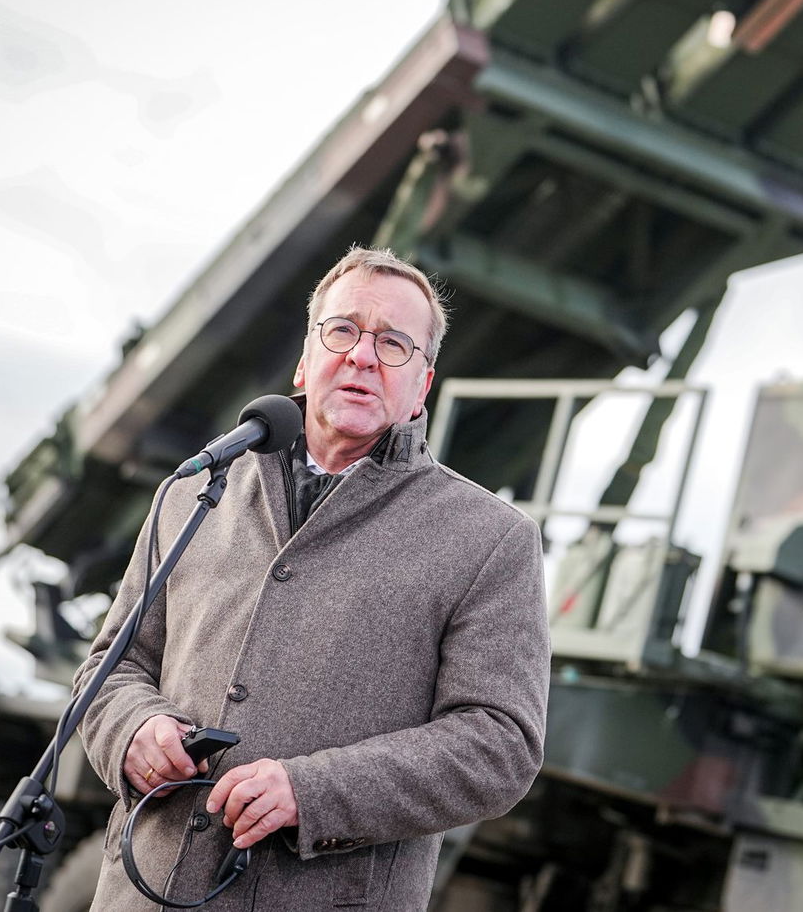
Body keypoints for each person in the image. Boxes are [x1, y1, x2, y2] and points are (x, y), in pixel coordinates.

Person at [76, 245, 550, 910]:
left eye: (393, 345)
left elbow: (499, 743)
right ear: (306, 357)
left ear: (423, 386)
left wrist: (313, 790)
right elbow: (111, 667)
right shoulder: (193, 491)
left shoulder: (491, 539)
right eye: (344, 330)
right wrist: (135, 729)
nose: (361, 355)